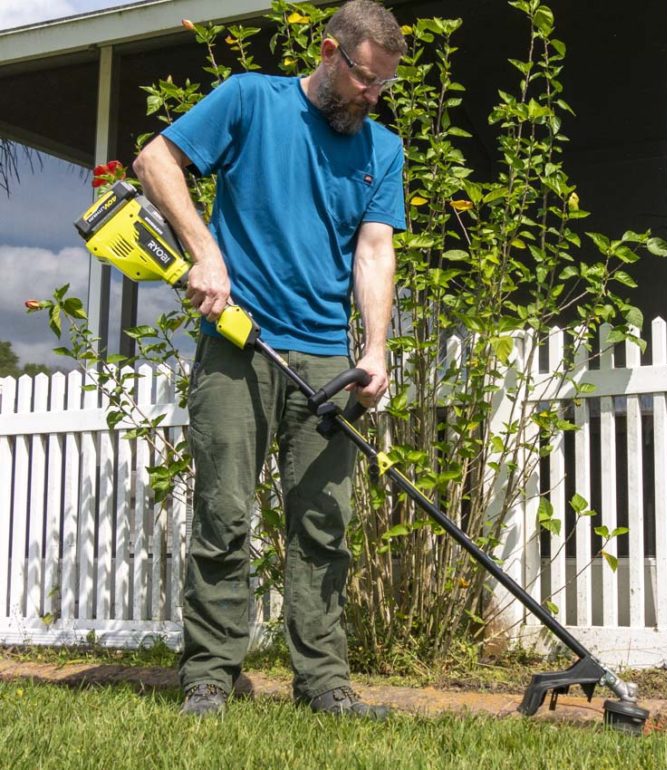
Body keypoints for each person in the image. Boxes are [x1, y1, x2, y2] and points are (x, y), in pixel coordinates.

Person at [133, 0, 406, 718]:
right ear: (328, 52)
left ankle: (324, 683)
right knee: (224, 512)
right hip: (238, 342)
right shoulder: (252, 98)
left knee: (322, 524)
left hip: (325, 359)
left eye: (383, 86)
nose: (371, 96)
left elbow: (374, 250)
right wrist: (205, 252)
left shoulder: (382, 148)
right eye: (364, 80)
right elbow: (155, 159)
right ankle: (209, 677)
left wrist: (374, 348)